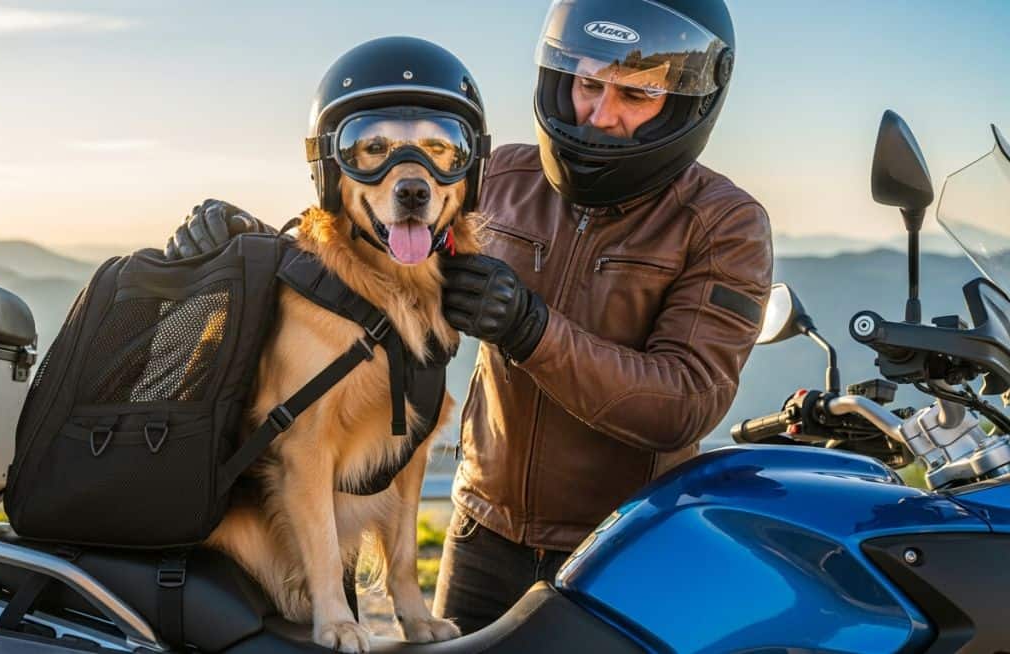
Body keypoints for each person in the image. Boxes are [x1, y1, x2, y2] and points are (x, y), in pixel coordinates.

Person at [165, 0, 772, 635]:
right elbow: (369, 261)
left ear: (682, 103)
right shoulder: (501, 176)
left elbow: (686, 400)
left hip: (617, 547)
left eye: (636, 94)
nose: (601, 114)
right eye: (589, 85)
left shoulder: (724, 223)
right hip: (482, 534)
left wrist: (532, 331)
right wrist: (252, 247)